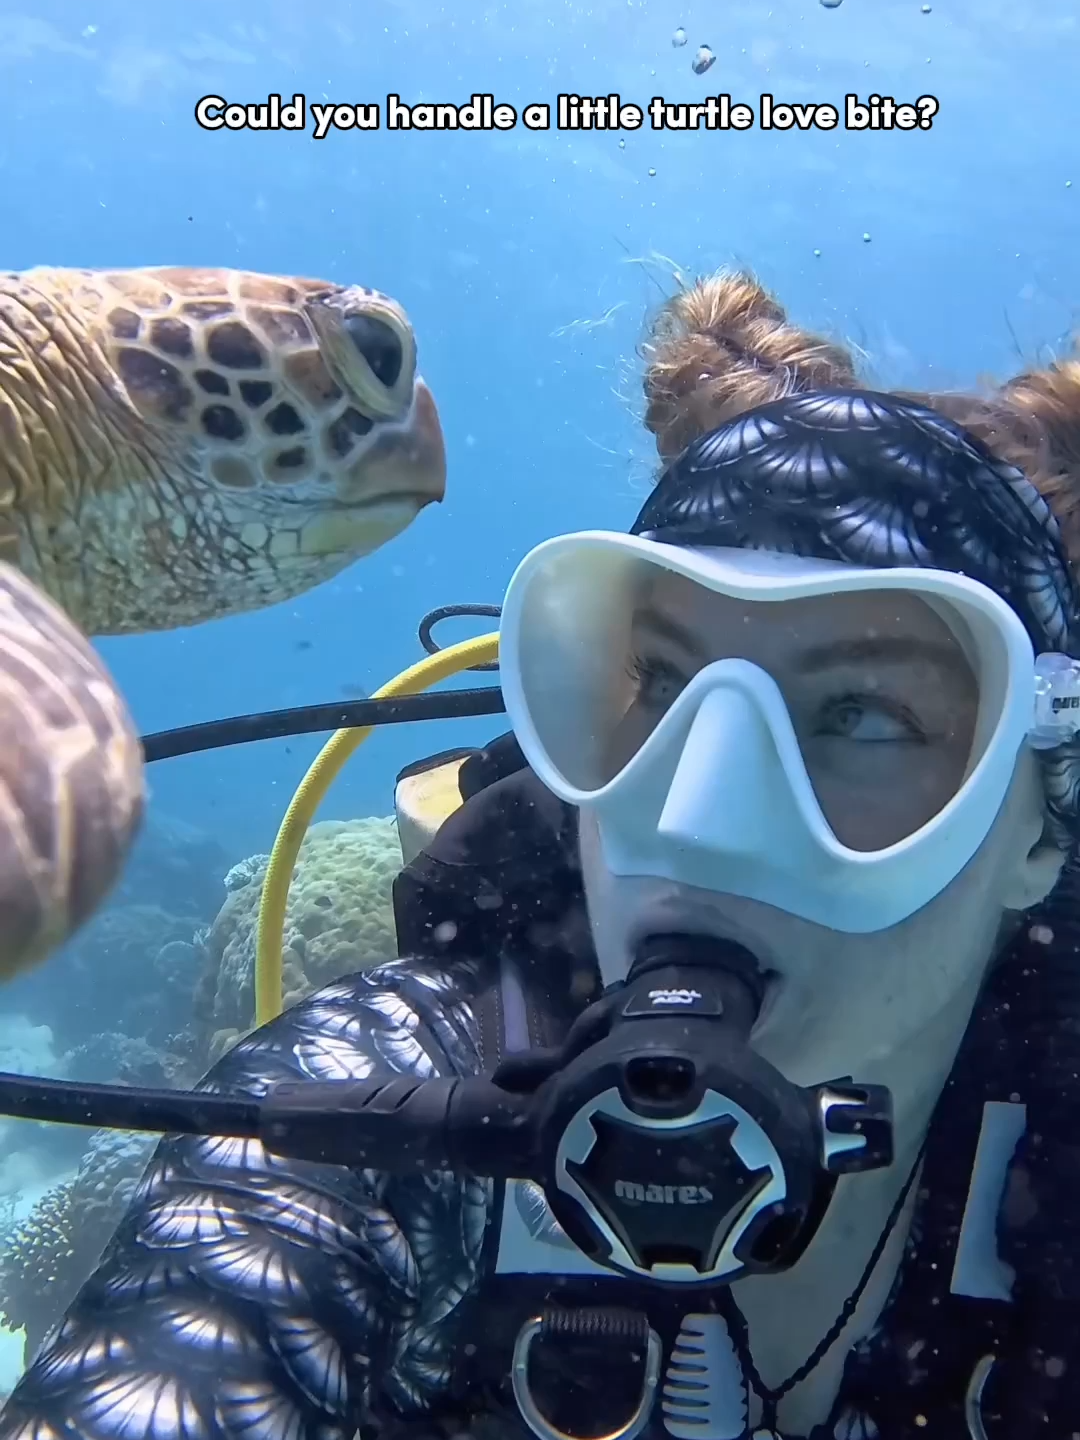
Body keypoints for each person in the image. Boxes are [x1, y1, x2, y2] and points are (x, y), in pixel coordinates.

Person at [4, 272, 1080, 1440]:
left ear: (1038, 822)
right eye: (660, 688)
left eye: (863, 712)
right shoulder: (376, 1094)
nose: (699, 815)